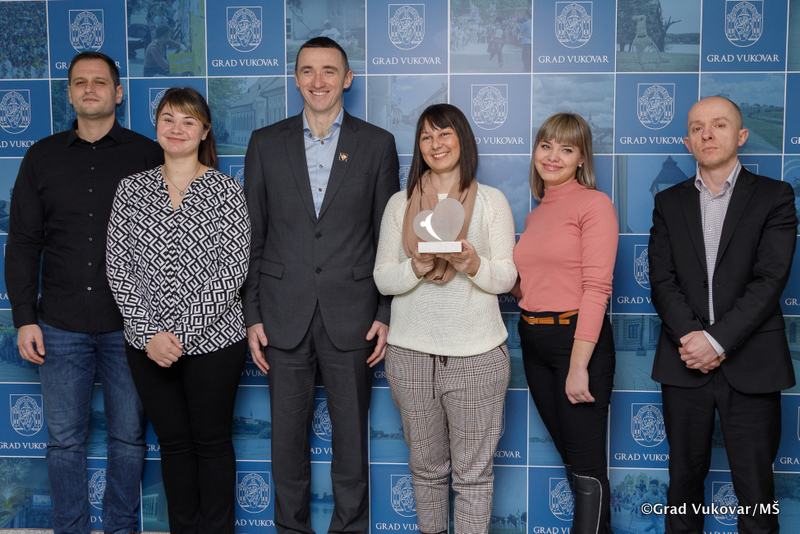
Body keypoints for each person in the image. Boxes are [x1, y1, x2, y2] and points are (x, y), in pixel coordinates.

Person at [242, 36, 399, 533]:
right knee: (286, 443)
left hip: (353, 315)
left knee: (351, 442)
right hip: (281, 314)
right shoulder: (265, 143)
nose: (318, 80)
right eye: (308, 70)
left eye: (329, 70)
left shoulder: (377, 144)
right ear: (296, 79)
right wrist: (252, 315)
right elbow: (253, 235)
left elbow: (389, 237)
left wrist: (385, 313)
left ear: (347, 79)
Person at [5, 51, 162, 534]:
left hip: (130, 326)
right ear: (69, 94)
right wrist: (24, 318)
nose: (89, 89)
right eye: (79, 82)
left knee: (129, 438)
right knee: (64, 443)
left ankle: (120, 528)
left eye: (100, 81)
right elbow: (23, 242)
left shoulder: (148, 155)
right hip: (59, 323)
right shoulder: (41, 157)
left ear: (119, 92)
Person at [649, 95, 797, 533]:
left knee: (756, 495)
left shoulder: (775, 196)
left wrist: (715, 341)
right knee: (682, 489)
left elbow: (770, 280)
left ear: (742, 135)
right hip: (684, 363)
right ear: (687, 142)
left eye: (719, 125)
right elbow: (662, 281)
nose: (707, 134)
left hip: (752, 365)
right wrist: (692, 339)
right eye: (697, 128)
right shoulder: (668, 202)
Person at [106, 87, 250, 534]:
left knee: (212, 443)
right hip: (147, 346)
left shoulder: (226, 190)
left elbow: (232, 268)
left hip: (215, 343)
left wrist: (181, 334)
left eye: (188, 121)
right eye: (168, 119)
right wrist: (150, 334)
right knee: (173, 445)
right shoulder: (131, 189)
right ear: (156, 127)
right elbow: (118, 265)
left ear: (204, 131)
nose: (177, 128)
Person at [373, 103, 516, 533]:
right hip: (411, 358)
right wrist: (415, 268)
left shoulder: (491, 201)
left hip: (477, 357)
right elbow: (382, 279)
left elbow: (507, 277)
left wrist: (473, 264)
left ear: (462, 140)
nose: (435, 144)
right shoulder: (400, 204)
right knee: (426, 472)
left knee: (473, 477)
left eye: (444, 133)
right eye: (426, 136)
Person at [514, 113, 618, 533]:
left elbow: (596, 289)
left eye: (566, 148)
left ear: (581, 159)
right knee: (573, 463)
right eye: (546, 145)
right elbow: (530, 285)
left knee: (588, 470)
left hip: (577, 343)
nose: (553, 155)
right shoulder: (536, 214)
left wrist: (579, 366)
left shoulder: (594, 204)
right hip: (533, 340)